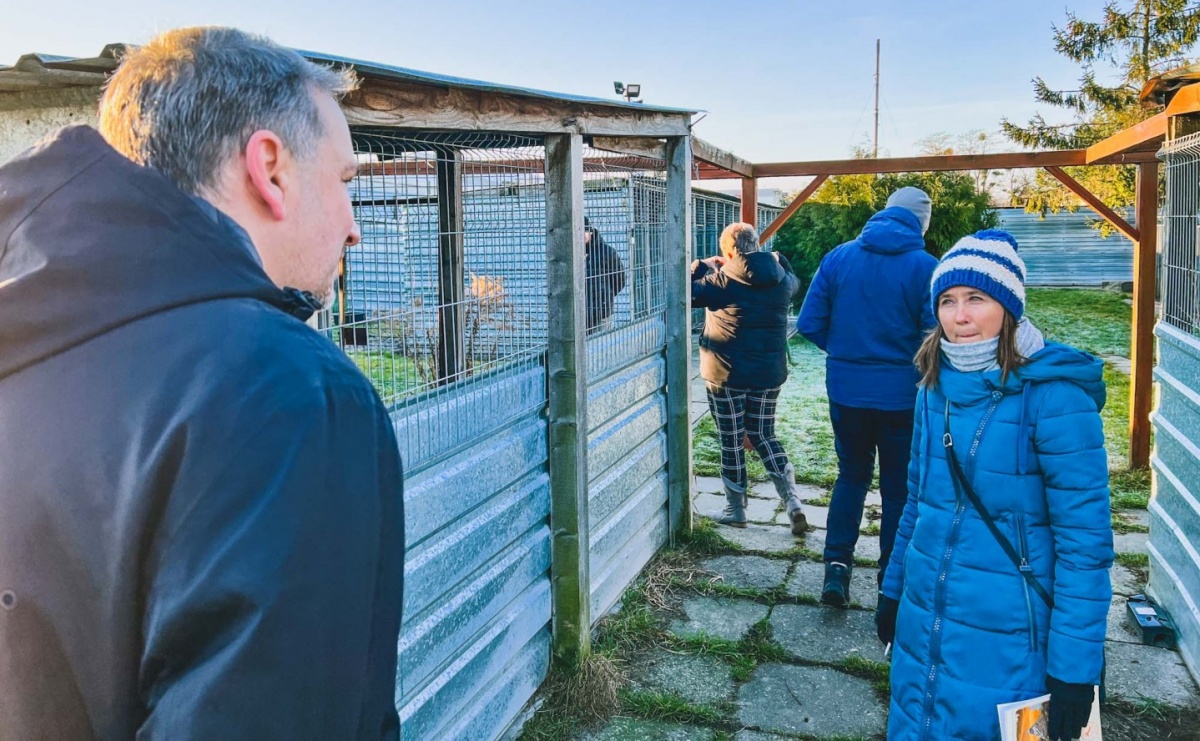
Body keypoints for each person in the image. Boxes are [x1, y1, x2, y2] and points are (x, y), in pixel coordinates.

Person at [0, 28, 404, 739]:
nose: (354, 228)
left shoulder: (28, 341)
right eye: (345, 182)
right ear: (270, 168)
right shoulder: (290, 391)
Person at [875, 230, 1113, 741]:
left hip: (1012, 636)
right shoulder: (932, 386)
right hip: (927, 617)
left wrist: (1075, 668)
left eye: (976, 299)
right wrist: (893, 591)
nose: (959, 317)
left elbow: (1084, 547)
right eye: (947, 300)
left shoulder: (1056, 400)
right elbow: (916, 503)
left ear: (1008, 307)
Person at [796, 186, 938, 609]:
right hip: (901, 397)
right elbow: (934, 335)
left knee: (852, 476)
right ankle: (888, 582)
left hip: (846, 390)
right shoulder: (926, 267)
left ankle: (836, 570)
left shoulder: (838, 257)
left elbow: (809, 322)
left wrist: (846, 354)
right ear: (921, 222)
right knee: (897, 491)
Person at [692, 222, 807, 534]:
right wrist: (781, 260)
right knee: (763, 434)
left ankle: (735, 509)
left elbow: (686, 294)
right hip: (769, 374)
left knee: (731, 440)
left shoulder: (721, 279)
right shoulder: (782, 279)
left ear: (728, 251)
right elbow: (793, 278)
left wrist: (699, 265)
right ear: (756, 245)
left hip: (725, 375)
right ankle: (793, 502)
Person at [584, 216, 627, 332]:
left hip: (601, 313)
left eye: (584, 231)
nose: (580, 235)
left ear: (591, 232)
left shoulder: (607, 252)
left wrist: (606, 295)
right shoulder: (570, 254)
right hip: (577, 313)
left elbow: (620, 279)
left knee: (601, 346)